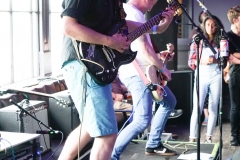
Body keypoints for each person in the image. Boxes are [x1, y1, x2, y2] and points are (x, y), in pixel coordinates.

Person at [59, 0, 174, 159]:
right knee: (107, 136)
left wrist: (156, 28)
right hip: (84, 64)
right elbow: (68, 27)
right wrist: (110, 42)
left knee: (87, 128)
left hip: (97, 66)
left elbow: (123, 25)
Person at [111, 0, 176, 159]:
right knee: (141, 120)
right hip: (136, 73)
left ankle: (153, 143)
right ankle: (111, 155)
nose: (155, 2)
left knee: (169, 102)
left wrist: (160, 57)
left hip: (145, 73)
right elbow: (144, 49)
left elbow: (147, 42)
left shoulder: (137, 14)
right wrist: (162, 68)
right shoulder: (131, 13)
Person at [188, 15, 224, 143]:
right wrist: (202, 61)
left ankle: (209, 136)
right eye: (208, 25)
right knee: (197, 108)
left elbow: (225, 60)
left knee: (214, 108)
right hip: (201, 76)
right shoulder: (198, 41)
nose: (211, 27)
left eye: (214, 25)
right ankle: (192, 138)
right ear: (204, 26)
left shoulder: (221, 41)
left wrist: (217, 60)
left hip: (216, 76)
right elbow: (191, 62)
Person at [189, 11, 210, 126]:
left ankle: (210, 117)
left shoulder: (214, 30)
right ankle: (206, 116)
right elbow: (192, 58)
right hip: (201, 67)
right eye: (204, 16)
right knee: (202, 96)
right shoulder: (196, 31)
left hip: (213, 70)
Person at [226, 6, 240, 146]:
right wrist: (234, 57)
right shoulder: (228, 36)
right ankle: (235, 136)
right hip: (236, 73)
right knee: (236, 106)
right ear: (235, 20)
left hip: (237, 66)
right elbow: (229, 56)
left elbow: (235, 56)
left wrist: (237, 57)